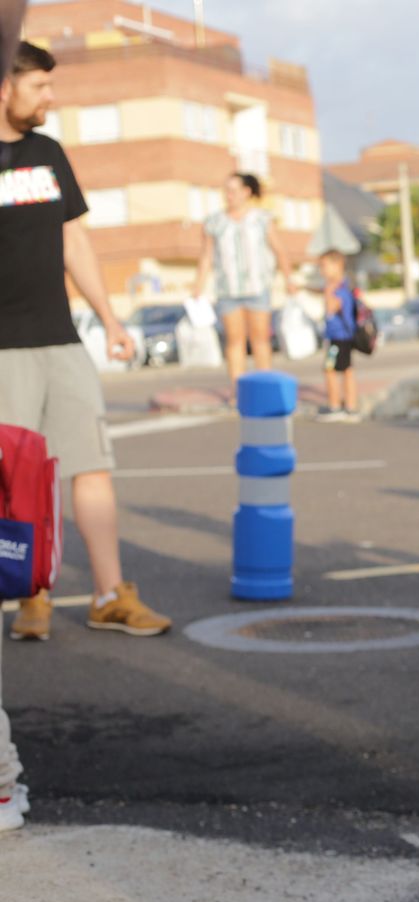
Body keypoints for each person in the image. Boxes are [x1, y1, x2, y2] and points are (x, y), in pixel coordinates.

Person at [1, 42, 170, 644]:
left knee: (92, 466)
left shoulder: (48, 154)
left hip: (61, 341)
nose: (51, 97)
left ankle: (108, 594)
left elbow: (75, 243)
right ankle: (31, 596)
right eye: (39, 86)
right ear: (4, 86)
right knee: (14, 482)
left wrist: (111, 319)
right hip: (2, 354)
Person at [194, 171, 298, 394]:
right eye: (226, 191)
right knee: (234, 342)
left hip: (258, 287)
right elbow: (206, 256)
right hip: (228, 289)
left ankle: (265, 389)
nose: (228, 195)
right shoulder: (213, 222)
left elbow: (279, 250)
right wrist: (198, 286)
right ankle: (239, 392)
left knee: (260, 340)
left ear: (246, 192)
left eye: (233, 190)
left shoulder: (262, 219)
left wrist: (289, 278)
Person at [316, 250, 361, 422]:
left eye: (324, 266)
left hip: (337, 337)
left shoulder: (338, 289)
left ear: (338, 265)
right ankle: (351, 406)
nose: (322, 271)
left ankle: (335, 406)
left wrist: (328, 292)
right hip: (346, 337)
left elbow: (331, 308)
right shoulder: (347, 285)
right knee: (347, 370)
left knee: (329, 369)